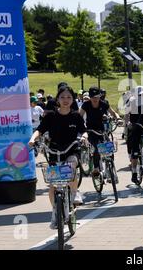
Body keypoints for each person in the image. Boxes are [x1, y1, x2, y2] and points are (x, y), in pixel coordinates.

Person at [29, 85, 88, 229]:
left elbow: (84, 131)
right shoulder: (51, 115)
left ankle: (74, 193)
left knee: (72, 165)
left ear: (73, 99)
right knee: (52, 186)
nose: (66, 100)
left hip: (71, 149)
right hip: (54, 151)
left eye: (69, 97)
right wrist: (32, 139)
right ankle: (55, 212)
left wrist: (84, 137)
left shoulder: (76, 116)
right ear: (57, 99)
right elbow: (40, 130)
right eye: (62, 97)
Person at [79, 87, 121, 177]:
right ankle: (96, 168)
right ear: (90, 97)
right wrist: (81, 127)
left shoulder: (103, 104)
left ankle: (110, 168)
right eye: (93, 97)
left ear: (100, 96)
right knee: (97, 147)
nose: (95, 99)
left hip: (102, 129)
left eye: (97, 97)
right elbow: (79, 116)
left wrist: (118, 118)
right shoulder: (86, 105)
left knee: (109, 147)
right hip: (90, 130)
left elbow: (113, 113)